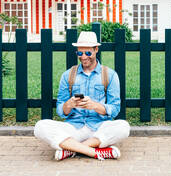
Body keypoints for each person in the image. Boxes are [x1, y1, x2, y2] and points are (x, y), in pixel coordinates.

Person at [34, 31, 130, 161]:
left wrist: (95, 106)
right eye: (80, 53)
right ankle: (96, 152)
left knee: (123, 127)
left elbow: (115, 109)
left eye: (88, 53)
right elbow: (60, 110)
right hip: (74, 127)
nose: (83, 57)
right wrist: (68, 105)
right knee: (40, 127)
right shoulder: (68, 75)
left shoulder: (110, 75)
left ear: (96, 50)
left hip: (99, 127)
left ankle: (70, 150)